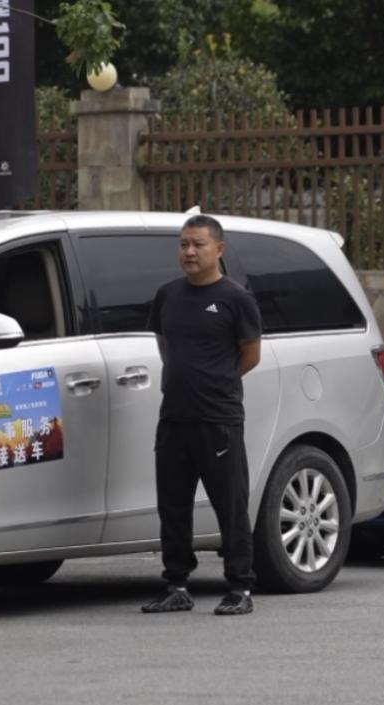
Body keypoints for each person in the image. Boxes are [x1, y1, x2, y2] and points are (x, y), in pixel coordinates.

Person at [141, 214, 263, 615]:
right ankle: (177, 584)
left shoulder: (236, 298)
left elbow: (250, 355)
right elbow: (165, 346)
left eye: (198, 244)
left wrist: (216, 381)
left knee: (230, 505)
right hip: (174, 417)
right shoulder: (167, 295)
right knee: (173, 506)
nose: (189, 252)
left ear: (219, 249)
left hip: (218, 419)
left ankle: (240, 588)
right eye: (183, 244)